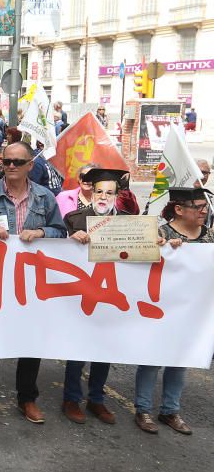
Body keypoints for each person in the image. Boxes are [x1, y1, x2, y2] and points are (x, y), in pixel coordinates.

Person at [0, 142, 66, 423]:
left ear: (30, 166)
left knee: (30, 338)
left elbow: (61, 231)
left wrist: (42, 231)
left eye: (17, 162)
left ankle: (27, 397)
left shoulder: (45, 198)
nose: (10, 166)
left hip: (32, 283)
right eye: (6, 161)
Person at [62, 168, 149, 426]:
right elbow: (56, 251)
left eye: (109, 192)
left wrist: (159, 241)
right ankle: (71, 398)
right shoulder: (74, 219)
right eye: (99, 191)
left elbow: (144, 252)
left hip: (114, 296)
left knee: (104, 348)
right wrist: (70, 238)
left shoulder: (129, 223)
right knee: (77, 349)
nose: (103, 197)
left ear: (117, 195)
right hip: (82, 295)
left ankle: (97, 399)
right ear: (91, 191)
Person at [131, 187, 209, 435]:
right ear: (178, 209)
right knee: (152, 360)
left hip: (191, 312)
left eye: (205, 206)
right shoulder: (160, 232)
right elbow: (133, 262)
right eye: (198, 206)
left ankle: (170, 411)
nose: (204, 211)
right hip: (159, 309)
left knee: (180, 361)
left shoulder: (208, 237)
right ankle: (143, 409)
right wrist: (158, 248)